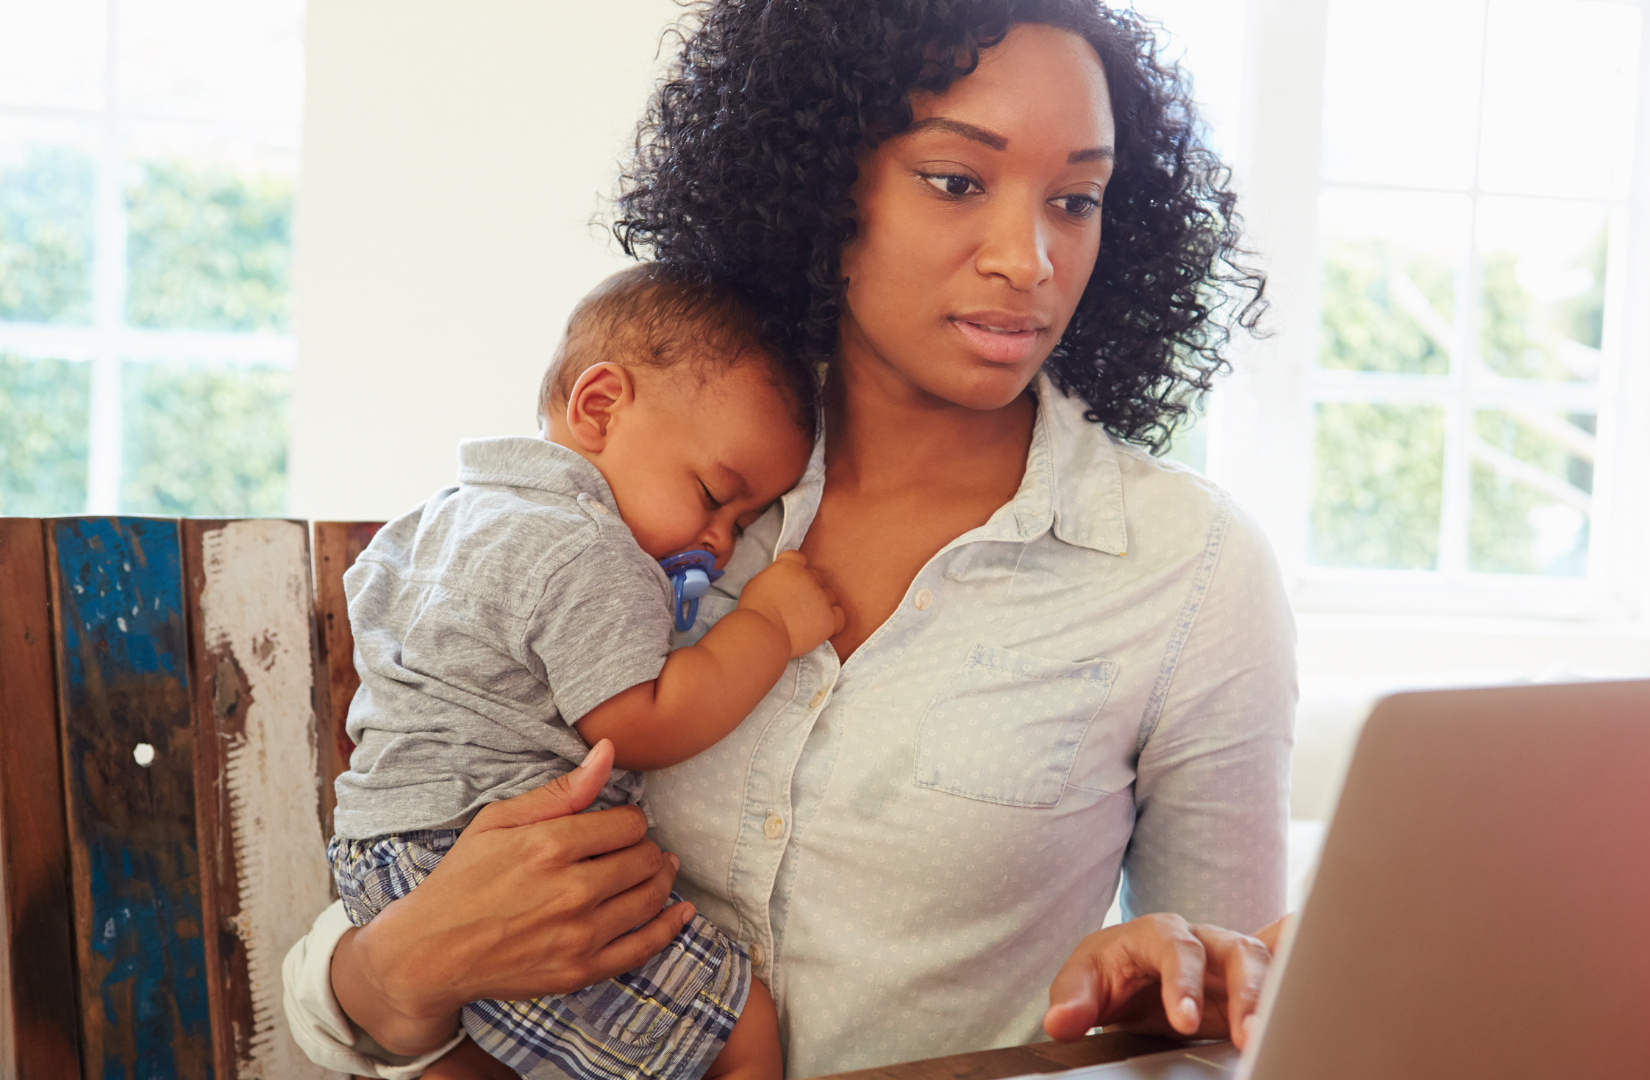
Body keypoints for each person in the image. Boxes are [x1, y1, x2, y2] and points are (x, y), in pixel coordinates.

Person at [282, 2, 1298, 1077]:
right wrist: (392, 974)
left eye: (1076, 199)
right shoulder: (636, 491)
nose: (1029, 257)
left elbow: (1235, 1015)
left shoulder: (1189, 570)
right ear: (822, 185)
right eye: (956, 180)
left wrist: (1160, 990)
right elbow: (394, 870)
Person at [325, 266, 845, 1080]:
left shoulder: (447, 514)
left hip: (382, 852)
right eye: (714, 495)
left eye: (744, 522)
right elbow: (641, 725)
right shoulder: (583, 546)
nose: (718, 541)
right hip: (471, 849)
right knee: (741, 1022)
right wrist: (770, 627)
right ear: (599, 406)